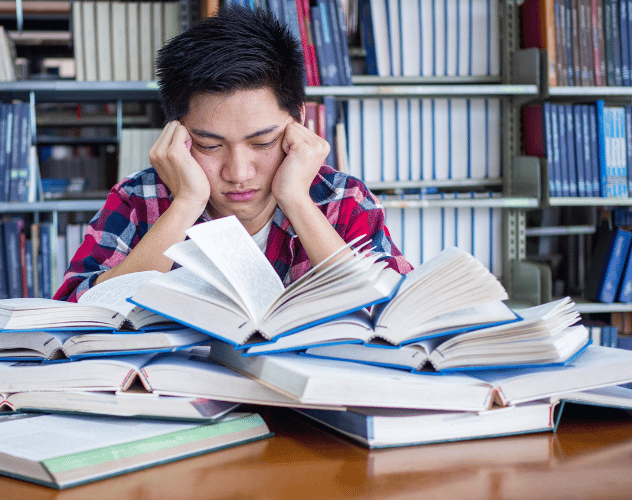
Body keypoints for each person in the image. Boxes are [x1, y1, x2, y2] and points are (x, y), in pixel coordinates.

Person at [54, 5, 412, 302]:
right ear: (177, 132)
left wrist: (297, 200)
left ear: (298, 120)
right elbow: (72, 313)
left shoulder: (342, 199)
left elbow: (397, 315)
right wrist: (186, 204)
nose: (238, 172)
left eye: (263, 143)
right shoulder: (137, 199)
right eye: (209, 145)